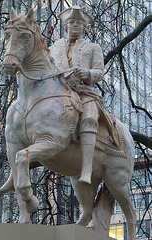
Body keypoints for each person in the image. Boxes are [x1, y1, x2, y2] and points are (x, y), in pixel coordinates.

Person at [50, 6, 104, 184]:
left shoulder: (93, 47)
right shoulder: (54, 47)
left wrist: (87, 74)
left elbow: (99, 71)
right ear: (65, 26)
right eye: (71, 22)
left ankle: (86, 168)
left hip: (83, 92)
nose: (75, 26)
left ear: (84, 27)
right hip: (58, 93)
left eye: (79, 23)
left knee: (89, 118)